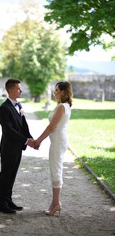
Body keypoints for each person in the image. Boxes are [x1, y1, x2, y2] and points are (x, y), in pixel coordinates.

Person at [34, 81, 72, 216]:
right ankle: (54, 203)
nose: (54, 92)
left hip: (58, 140)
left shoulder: (62, 107)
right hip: (59, 140)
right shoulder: (64, 106)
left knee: (56, 170)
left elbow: (51, 127)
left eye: (57, 90)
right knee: (56, 169)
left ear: (63, 91)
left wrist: (38, 140)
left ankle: (56, 203)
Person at [0, 78, 34, 214]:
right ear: (11, 90)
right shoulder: (4, 108)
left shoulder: (18, 105)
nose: (21, 90)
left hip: (17, 148)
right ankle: (1, 204)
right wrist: (26, 141)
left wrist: (30, 138)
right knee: (5, 175)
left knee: (12, 175)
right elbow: (9, 130)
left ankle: (8, 200)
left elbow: (23, 125)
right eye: (19, 88)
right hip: (8, 148)